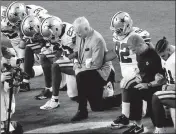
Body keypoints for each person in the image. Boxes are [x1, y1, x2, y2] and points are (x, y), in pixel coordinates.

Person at [104, 11, 153, 128]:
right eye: (116, 29)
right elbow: (116, 52)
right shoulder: (117, 36)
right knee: (136, 97)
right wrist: (98, 60)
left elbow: (152, 53)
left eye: (120, 29)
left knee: (126, 84)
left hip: (139, 70)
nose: (117, 32)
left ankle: (125, 117)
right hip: (127, 71)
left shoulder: (139, 35)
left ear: (127, 26)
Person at [71, 16, 121, 122]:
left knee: (81, 77)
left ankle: (82, 110)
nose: (77, 35)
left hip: (102, 73)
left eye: (79, 32)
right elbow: (78, 52)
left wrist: (80, 68)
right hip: (88, 70)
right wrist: (75, 60)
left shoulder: (97, 39)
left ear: (86, 28)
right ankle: (121, 99)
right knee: (97, 107)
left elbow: (97, 65)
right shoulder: (80, 36)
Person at [119, 34, 165, 134]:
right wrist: (139, 75)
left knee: (158, 123)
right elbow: (143, 69)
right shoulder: (139, 53)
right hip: (146, 84)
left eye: (133, 50)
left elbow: (163, 79)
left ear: (140, 45)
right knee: (132, 89)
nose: (132, 52)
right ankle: (138, 125)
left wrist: (148, 85)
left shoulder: (156, 55)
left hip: (156, 87)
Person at [5, 1, 48, 91]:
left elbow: (48, 31)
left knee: (43, 58)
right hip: (33, 36)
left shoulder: (39, 16)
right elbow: (22, 44)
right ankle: (25, 81)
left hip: (46, 37)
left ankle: (51, 83)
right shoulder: (20, 16)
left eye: (17, 23)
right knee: (27, 50)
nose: (15, 25)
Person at [38, 16, 78, 109]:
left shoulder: (72, 35)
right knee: (73, 96)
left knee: (56, 66)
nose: (49, 39)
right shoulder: (60, 28)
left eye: (51, 36)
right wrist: (56, 55)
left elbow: (80, 52)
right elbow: (62, 49)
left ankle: (54, 100)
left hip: (81, 61)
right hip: (72, 60)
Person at [152, 37, 175, 133]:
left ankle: (159, 130)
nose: (162, 58)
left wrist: (169, 87)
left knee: (156, 97)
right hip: (172, 92)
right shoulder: (168, 55)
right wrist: (161, 78)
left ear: (169, 49)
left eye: (163, 55)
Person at [1, 34, 23, 134]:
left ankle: (4, 124)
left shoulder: (7, 68)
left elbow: (13, 91)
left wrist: (16, 83)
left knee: (17, 129)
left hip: (6, 113)